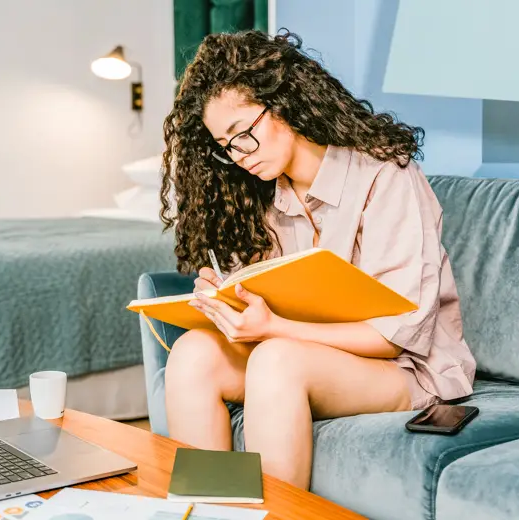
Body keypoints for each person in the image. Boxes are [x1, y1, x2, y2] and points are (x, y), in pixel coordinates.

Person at [158, 29, 476, 490]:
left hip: (408, 367)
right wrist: (230, 296)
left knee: (276, 359)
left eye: (243, 133)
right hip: (315, 353)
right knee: (192, 354)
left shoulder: (386, 174)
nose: (238, 154)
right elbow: (286, 302)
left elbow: (396, 334)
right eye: (225, 146)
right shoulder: (271, 196)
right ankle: (213, 508)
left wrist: (272, 329)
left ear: (283, 101)